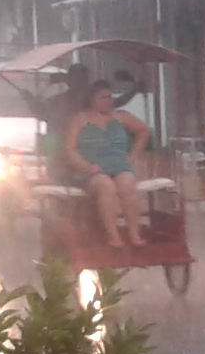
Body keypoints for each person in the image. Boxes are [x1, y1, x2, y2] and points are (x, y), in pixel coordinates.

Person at [63, 81, 151, 247]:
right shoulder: (80, 119)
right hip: (91, 170)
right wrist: (86, 166)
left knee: (127, 184)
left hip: (119, 165)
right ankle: (113, 235)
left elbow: (144, 130)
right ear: (92, 99)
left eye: (110, 97)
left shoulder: (121, 116)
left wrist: (133, 155)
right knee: (106, 185)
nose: (109, 101)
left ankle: (134, 234)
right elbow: (70, 150)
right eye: (103, 97)